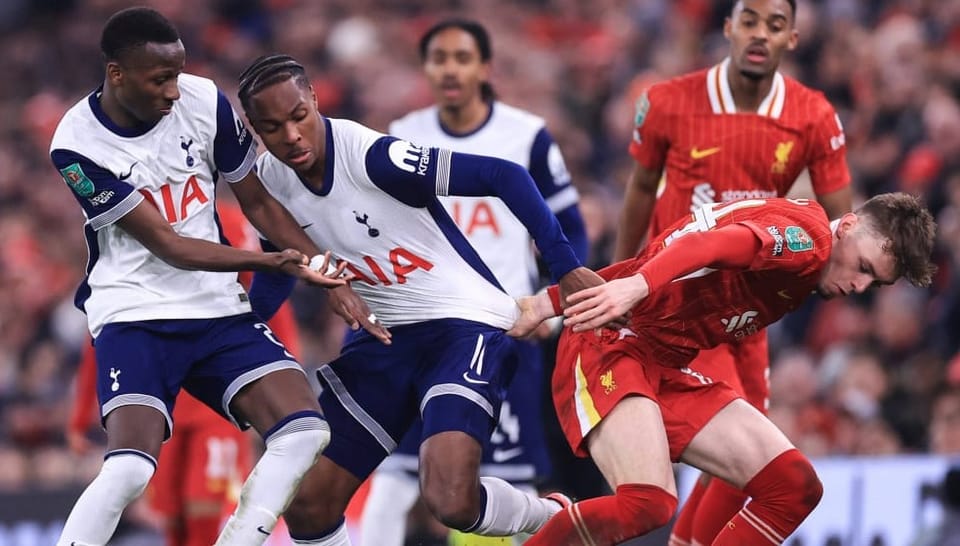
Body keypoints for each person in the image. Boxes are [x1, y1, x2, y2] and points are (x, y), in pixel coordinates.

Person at [237, 53, 602, 545]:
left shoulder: (372, 157)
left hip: (464, 327)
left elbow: (505, 176)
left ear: (315, 101)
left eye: (299, 116)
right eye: (273, 127)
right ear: (255, 129)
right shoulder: (270, 183)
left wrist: (564, 265)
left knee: (449, 498)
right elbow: (283, 266)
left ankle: (553, 517)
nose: (292, 136)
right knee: (308, 506)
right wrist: (247, 331)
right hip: (385, 342)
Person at [47, 8, 378, 546]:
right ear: (117, 74)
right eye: (160, 79)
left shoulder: (204, 101)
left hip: (216, 309)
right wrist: (271, 262)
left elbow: (259, 204)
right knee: (130, 470)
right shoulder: (76, 144)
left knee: (305, 431)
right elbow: (168, 244)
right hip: (136, 313)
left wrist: (324, 270)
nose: (174, 91)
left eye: (176, 75)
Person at [509, 193, 936, 545]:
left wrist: (550, 302)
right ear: (845, 227)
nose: (859, 287)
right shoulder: (808, 243)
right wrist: (636, 287)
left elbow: (652, 259)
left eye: (874, 283)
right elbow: (702, 247)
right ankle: (552, 521)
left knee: (793, 486)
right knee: (649, 503)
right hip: (612, 345)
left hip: (664, 362)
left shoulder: (802, 236)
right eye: (863, 267)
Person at [613, 1, 852, 542]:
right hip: (683, 299)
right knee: (745, 443)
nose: (759, 34)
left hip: (754, 306)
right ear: (727, 28)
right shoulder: (670, 101)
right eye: (749, 20)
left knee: (753, 451)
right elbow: (639, 190)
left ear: (793, 37)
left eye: (774, 24)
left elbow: (845, 220)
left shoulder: (813, 115)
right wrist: (615, 274)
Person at [359, 19, 589, 546]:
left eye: (462, 58)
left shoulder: (525, 135)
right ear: (426, 68)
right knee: (393, 480)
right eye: (439, 58)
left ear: (484, 68)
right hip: (422, 329)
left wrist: (555, 307)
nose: (450, 69)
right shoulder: (402, 135)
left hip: (505, 330)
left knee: (505, 481)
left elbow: (569, 227)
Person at [65, 200, 304, 546]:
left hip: (216, 393)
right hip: (159, 397)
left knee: (202, 503)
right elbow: (104, 328)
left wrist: (276, 374)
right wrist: (80, 413)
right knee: (171, 512)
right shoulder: (126, 217)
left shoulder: (228, 221)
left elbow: (257, 292)